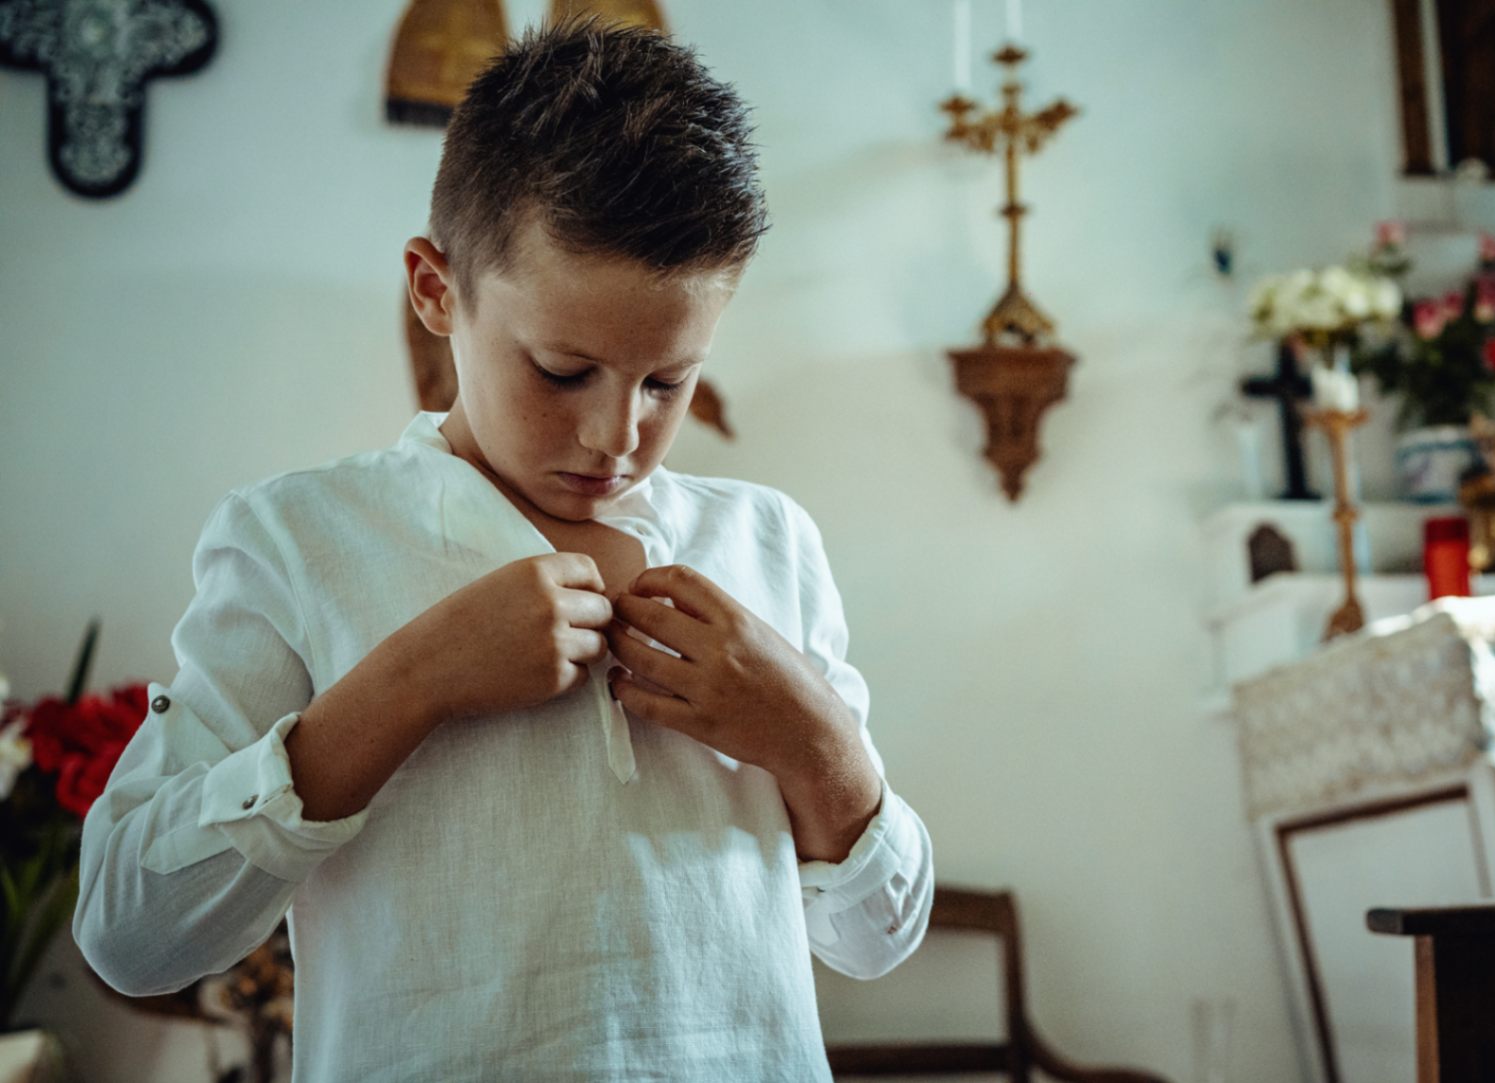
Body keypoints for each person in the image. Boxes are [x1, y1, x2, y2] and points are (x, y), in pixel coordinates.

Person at [73, 16, 934, 1082]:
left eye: (667, 381)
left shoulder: (770, 543)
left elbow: (873, 941)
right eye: (563, 371)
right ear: (437, 290)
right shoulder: (291, 542)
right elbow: (130, 934)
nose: (616, 435)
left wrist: (813, 744)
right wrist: (409, 685)